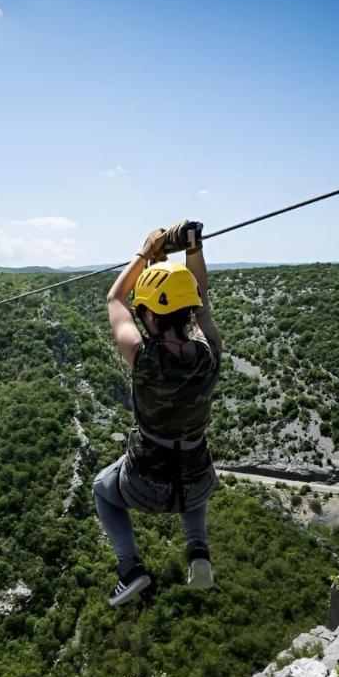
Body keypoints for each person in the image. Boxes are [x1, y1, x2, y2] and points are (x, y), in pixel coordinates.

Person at [93, 220, 223, 606]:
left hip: (144, 484)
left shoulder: (143, 358)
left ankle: (130, 568)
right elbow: (202, 304)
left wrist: (144, 254)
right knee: (194, 466)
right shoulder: (209, 353)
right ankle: (197, 549)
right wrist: (193, 249)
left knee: (103, 489)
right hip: (196, 481)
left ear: (149, 317)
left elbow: (115, 300)